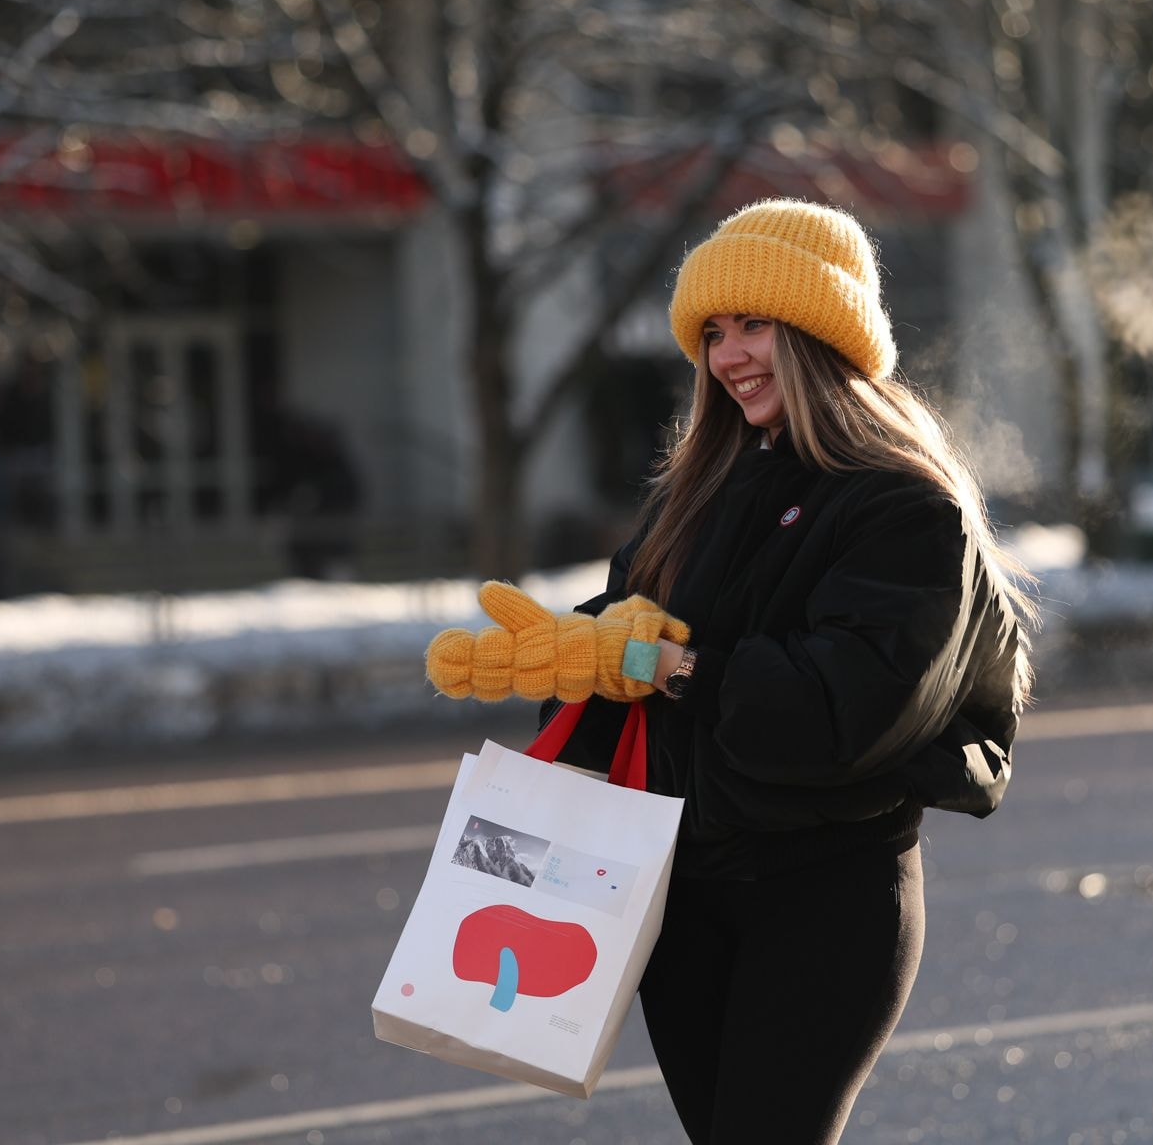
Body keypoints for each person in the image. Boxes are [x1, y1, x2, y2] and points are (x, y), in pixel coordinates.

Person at [425, 199, 1034, 1143]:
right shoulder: (697, 494)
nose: (729, 355)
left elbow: (841, 711)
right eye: (712, 331)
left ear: (821, 334)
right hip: (683, 896)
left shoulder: (906, 510)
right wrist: (572, 656)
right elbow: (624, 685)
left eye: (755, 325)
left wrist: (667, 664)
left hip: (825, 896)